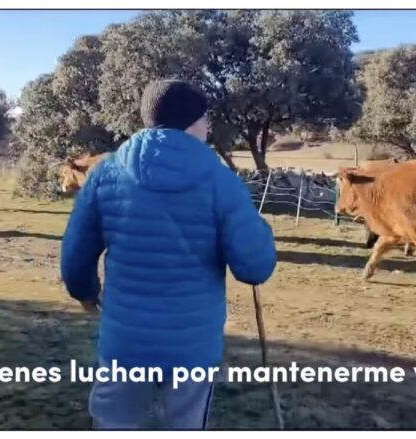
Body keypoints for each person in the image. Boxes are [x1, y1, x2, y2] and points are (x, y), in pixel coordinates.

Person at [60, 79, 277, 430]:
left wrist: (84, 293)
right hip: (192, 347)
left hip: (124, 341)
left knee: (114, 424)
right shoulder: (220, 180)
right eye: (206, 120)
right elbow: (254, 267)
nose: (208, 127)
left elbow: (76, 254)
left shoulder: (106, 174)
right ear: (193, 121)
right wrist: (260, 231)